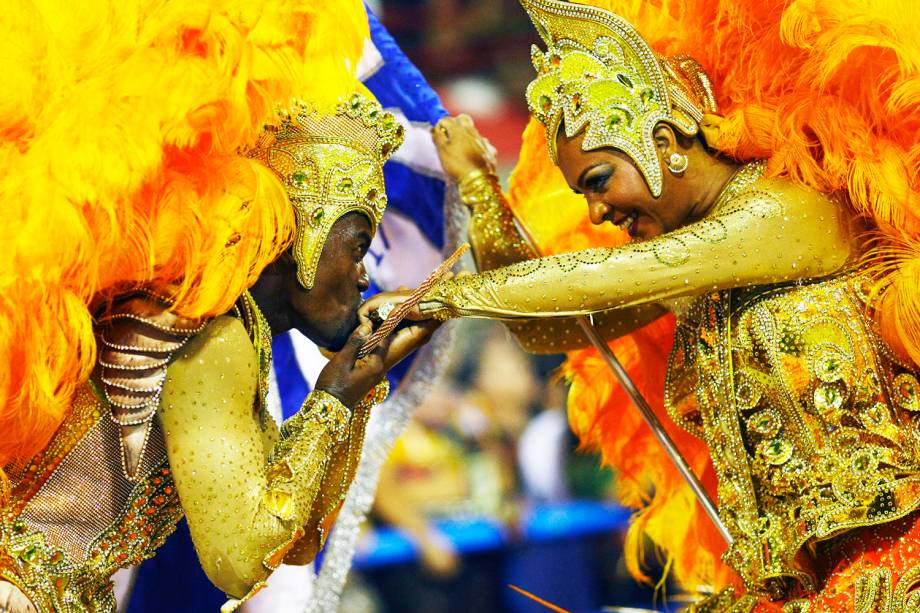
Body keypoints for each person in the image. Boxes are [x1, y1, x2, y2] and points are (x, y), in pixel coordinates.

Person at [364, 0, 920, 609]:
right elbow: (549, 329)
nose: (598, 213)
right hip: (802, 582)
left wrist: (442, 295)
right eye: (583, 194)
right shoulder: (694, 268)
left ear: (663, 140)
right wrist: (477, 187)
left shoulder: (787, 214)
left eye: (599, 181)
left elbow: (609, 275)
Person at [0, 84, 440, 613]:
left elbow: (291, 537)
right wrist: (334, 396)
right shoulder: (209, 331)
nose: (362, 276)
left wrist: (348, 391)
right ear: (305, 239)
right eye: (355, 250)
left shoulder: (222, 324)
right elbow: (239, 560)